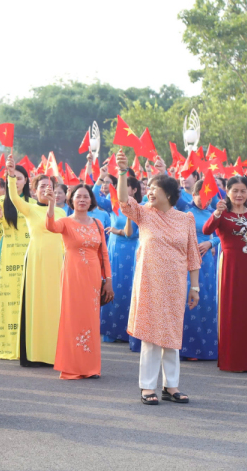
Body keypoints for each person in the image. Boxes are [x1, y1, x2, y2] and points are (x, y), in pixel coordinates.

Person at [115, 150, 200, 404]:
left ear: (170, 194)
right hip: (149, 282)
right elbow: (123, 201)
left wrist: (195, 287)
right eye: (148, 188)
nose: (149, 192)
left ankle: (171, 386)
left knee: (172, 335)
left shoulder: (185, 219)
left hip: (175, 285)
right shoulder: (143, 213)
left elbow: (193, 256)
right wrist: (121, 172)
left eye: (155, 188)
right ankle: (147, 387)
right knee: (152, 336)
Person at [44, 183, 112, 379]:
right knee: (72, 318)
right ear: (71, 200)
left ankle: (90, 368)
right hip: (72, 276)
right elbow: (50, 226)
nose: (82, 199)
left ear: (91, 200)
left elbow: (104, 254)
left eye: (86, 196)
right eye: (78, 196)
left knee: (90, 320)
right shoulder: (65, 221)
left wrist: (107, 279)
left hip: (92, 278)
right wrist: (50, 204)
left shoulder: (98, 224)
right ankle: (72, 367)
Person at [203, 175, 247, 372]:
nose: (239, 194)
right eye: (235, 191)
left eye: (243, 191)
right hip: (230, 268)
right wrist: (216, 213)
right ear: (228, 192)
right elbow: (207, 229)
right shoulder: (222, 213)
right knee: (231, 311)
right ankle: (231, 360)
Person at [5, 155, 66, 366]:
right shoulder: (30, 208)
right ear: (34, 191)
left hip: (57, 261)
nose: (47, 190)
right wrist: (11, 176)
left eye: (51, 187)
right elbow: (13, 198)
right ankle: (35, 353)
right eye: (42, 187)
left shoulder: (61, 211)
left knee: (56, 306)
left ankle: (56, 353)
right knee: (36, 304)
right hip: (36, 260)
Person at [92, 153, 141, 352]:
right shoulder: (114, 205)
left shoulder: (140, 207)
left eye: (126, 186)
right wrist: (100, 177)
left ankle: (128, 331)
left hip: (132, 251)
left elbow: (133, 233)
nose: (120, 189)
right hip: (114, 252)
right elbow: (94, 196)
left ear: (134, 189)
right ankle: (111, 331)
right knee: (113, 288)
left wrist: (118, 230)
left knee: (129, 290)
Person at [0, 165, 31, 361]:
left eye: (19, 178)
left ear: (26, 181)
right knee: (9, 302)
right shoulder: (0, 203)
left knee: (31, 301)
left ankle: (32, 346)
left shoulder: (33, 203)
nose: (16, 182)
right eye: (12, 178)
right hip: (8, 258)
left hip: (32, 257)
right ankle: (9, 346)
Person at [180, 179, 220, 361]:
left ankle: (206, 347)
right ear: (194, 195)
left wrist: (210, 242)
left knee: (206, 300)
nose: (206, 200)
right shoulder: (184, 211)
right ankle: (189, 348)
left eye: (210, 197)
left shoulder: (215, 213)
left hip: (206, 262)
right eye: (202, 196)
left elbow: (222, 234)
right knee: (188, 300)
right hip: (186, 259)